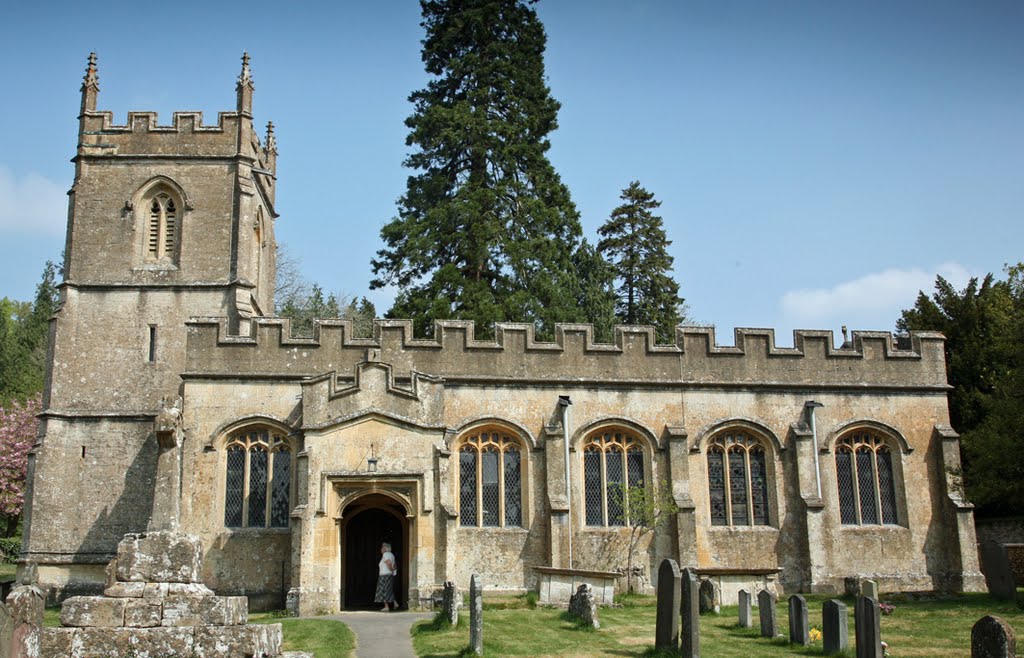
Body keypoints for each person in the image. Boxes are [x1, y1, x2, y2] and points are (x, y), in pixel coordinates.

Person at [375, 541, 398, 611]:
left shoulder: (385, 554)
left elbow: (389, 563)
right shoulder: (392, 555)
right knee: (389, 590)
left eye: (382, 547)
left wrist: (391, 569)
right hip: (389, 575)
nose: (381, 549)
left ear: (385, 548)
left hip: (384, 575)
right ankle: (395, 603)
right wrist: (393, 571)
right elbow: (395, 565)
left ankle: (386, 607)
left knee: (383, 590)